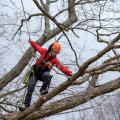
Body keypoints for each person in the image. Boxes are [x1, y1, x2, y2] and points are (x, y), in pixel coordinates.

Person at [19, 39, 72, 111]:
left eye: (57, 53)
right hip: (34, 73)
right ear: (51, 49)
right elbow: (36, 47)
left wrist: (69, 73)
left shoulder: (55, 60)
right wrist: (31, 42)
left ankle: (43, 90)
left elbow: (61, 68)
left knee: (47, 75)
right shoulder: (43, 51)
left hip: (43, 74)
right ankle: (26, 105)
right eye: (55, 51)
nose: (56, 54)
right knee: (30, 88)